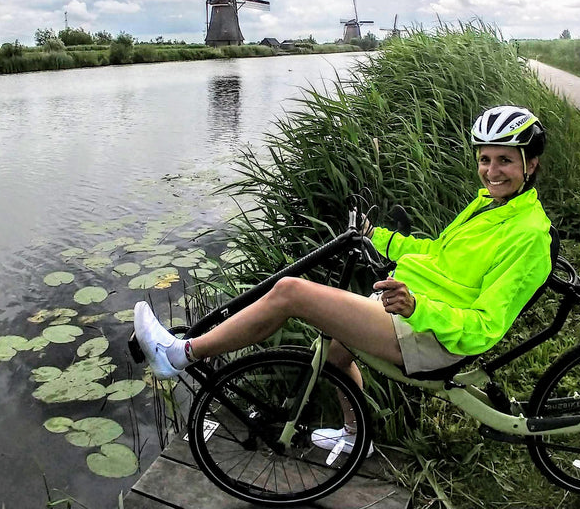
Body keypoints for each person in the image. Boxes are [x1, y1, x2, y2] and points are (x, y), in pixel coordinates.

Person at [133, 104, 554, 455]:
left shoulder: (528, 234)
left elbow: (485, 327)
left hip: (434, 338)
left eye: (505, 160)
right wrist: (378, 238)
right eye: (485, 158)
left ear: (530, 164)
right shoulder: (491, 205)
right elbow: (439, 255)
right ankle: (356, 438)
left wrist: (418, 307)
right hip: (413, 313)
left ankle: (178, 355)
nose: (492, 171)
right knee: (334, 345)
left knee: (291, 292)